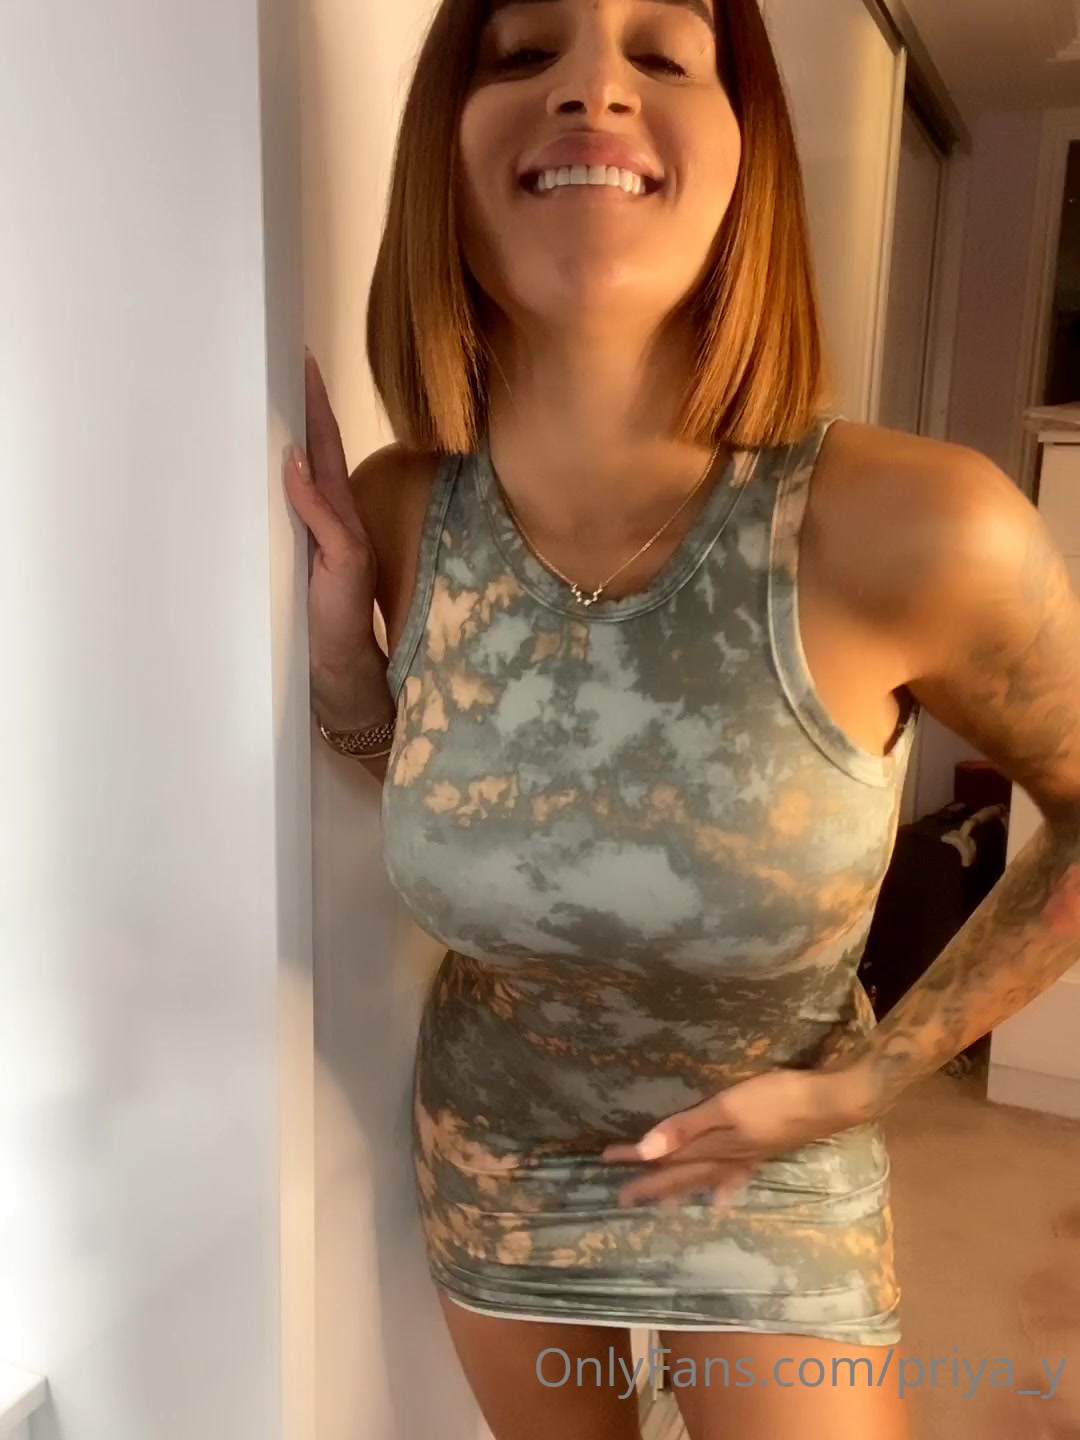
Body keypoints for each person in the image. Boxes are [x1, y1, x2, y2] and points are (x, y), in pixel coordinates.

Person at [284, 0, 1080, 1435]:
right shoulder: (403, 509)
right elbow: (466, 789)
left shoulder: (924, 527)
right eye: (526, 52)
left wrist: (862, 1085)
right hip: (499, 1161)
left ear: (746, 152)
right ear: (444, 153)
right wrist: (348, 668)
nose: (593, 87)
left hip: (779, 1161)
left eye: (661, 54)